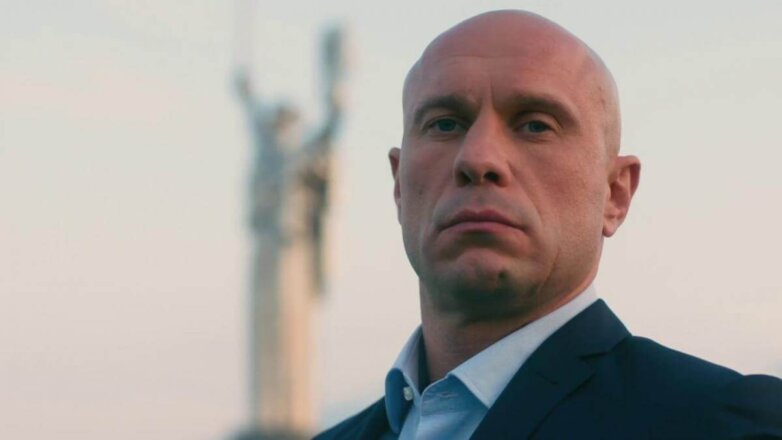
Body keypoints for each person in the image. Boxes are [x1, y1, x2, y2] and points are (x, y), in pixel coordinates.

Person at [316, 10, 782, 440]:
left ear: (615, 193)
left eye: (535, 125)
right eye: (445, 124)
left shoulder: (726, 426)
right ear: (399, 184)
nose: (478, 159)